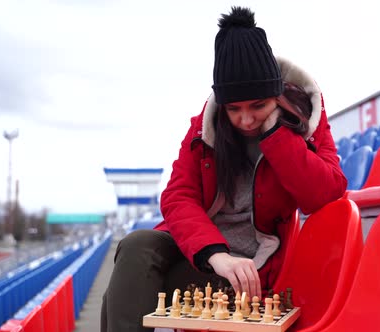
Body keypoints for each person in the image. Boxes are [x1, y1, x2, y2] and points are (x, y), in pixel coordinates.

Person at [101, 6, 346, 332]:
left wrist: (276, 136)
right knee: (135, 248)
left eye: (258, 106)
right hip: (202, 255)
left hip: (251, 267)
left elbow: (325, 192)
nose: (245, 120)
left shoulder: (306, 120)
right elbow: (177, 195)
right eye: (234, 109)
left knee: (124, 293)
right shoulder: (205, 127)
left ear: (276, 96)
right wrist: (215, 253)